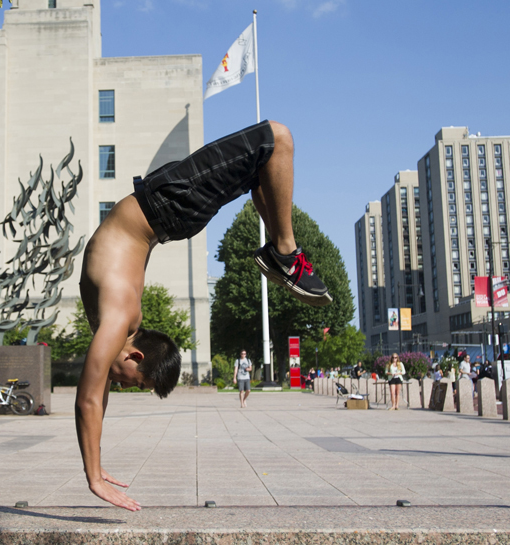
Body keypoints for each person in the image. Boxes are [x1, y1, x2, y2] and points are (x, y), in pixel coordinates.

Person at [76, 120, 331, 511]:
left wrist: (95, 470)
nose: (122, 387)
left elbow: (93, 399)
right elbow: (94, 398)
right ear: (135, 356)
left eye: (131, 385)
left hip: (168, 205)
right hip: (171, 204)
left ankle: (282, 251)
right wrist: (94, 470)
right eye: (137, 384)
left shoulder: (116, 321)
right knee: (275, 140)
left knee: (269, 153)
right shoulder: (118, 320)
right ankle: (281, 251)